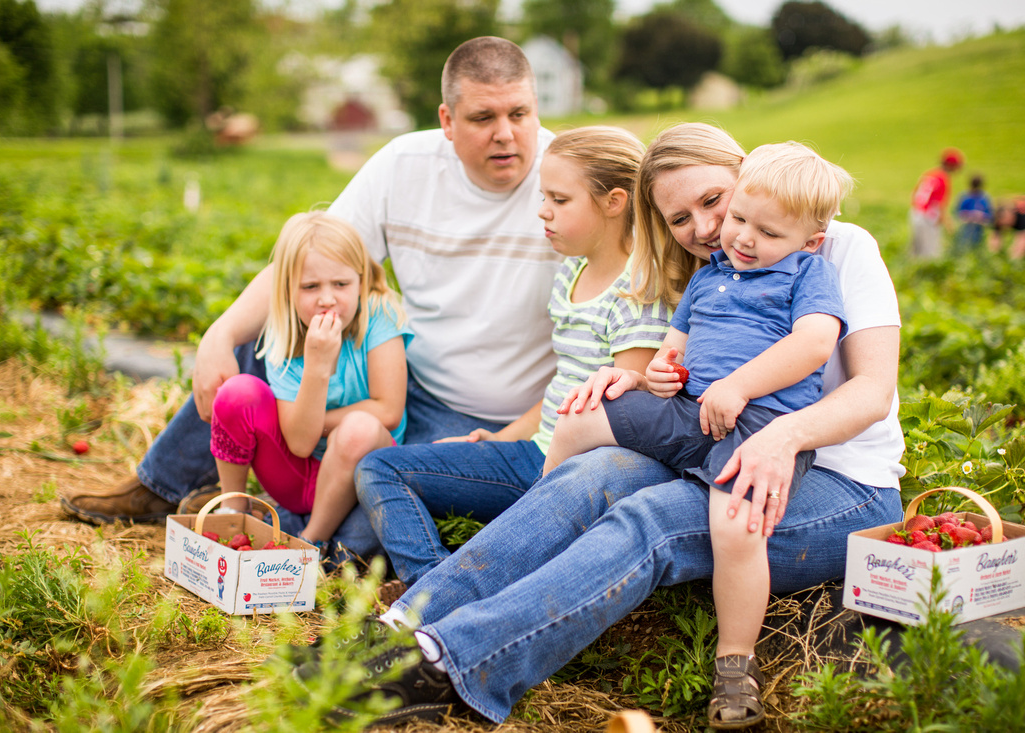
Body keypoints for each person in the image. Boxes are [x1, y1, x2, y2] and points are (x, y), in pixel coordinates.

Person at [288, 123, 905, 729]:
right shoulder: (726, 260)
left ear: (744, 173)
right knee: (588, 473)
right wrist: (637, 381)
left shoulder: (837, 250)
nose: (709, 227)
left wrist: (784, 435)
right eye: (680, 217)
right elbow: (687, 371)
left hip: (840, 483)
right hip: (718, 448)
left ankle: (450, 664)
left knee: (653, 521)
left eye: (715, 200)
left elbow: (871, 393)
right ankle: (402, 627)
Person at [61, 37, 560, 562]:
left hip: (485, 417)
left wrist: (507, 438)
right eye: (483, 117)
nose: (505, 134)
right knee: (274, 331)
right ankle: (164, 487)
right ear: (448, 120)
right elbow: (307, 265)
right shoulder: (404, 166)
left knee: (358, 542)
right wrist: (221, 335)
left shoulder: (566, 182)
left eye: (519, 113)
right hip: (402, 375)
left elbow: (595, 338)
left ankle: (285, 524)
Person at [542, 142, 851, 727]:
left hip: (758, 426)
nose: (742, 238)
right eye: (739, 219)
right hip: (690, 411)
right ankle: (549, 525)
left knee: (735, 524)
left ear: (809, 240)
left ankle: (736, 663)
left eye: (768, 232)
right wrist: (656, 373)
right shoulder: (711, 276)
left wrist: (738, 386)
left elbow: (813, 343)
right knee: (580, 415)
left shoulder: (809, 273)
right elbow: (673, 351)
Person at [352, 126, 669, 585]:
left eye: (560, 200)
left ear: (614, 202)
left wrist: (547, 478)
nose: (543, 212)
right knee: (379, 467)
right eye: (544, 197)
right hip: (531, 454)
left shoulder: (637, 296)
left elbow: (623, 420)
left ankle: (440, 595)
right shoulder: (572, 273)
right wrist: (498, 439)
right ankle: (432, 582)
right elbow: (566, 387)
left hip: (570, 477)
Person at [209, 212, 411, 550]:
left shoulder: (379, 316)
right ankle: (232, 508)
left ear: (361, 280)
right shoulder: (285, 333)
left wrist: (315, 422)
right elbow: (299, 444)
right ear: (287, 290)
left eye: (341, 284)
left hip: (362, 473)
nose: (327, 299)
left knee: (358, 429)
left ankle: (310, 542)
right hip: (296, 475)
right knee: (237, 394)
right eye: (310, 287)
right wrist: (317, 363)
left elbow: (388, 411)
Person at [909, 147, 964, 259]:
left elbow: (914, 193)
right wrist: (949, 224)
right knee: (930, 253)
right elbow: (940, 205)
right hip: (929, 217)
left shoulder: (929, 173)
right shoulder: (943, 178)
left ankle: (913, 272)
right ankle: (927, 274)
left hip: (915, 212)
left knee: (916, 250)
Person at [953, 174, 993, 252]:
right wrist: (968, 216)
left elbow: (990, 216)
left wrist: (981, 216)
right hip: (965, 226)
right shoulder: (965, 197)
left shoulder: (984, 198)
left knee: (977, 246)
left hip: (979, 227)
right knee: (963, 244)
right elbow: (957, 213)